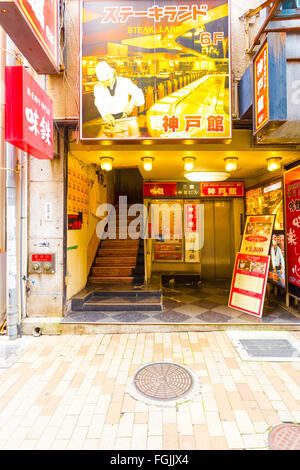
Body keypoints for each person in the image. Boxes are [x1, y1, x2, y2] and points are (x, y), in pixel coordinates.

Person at [93, 61, 145, 136]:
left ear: (113, 74)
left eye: (107, 80)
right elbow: (99, 103)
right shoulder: (98, 87)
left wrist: (131, 103)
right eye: (103, 81)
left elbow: (138, 93)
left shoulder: (124, 82)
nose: (106, 83)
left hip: (123, 118)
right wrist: (105, 114)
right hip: (108, 121)